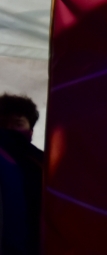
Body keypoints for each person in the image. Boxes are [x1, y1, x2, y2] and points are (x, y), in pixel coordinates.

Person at [0, 94, 44, 255]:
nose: (9, 129)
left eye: (18, 124)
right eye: (3, 124)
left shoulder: (42, 164)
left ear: (30, 132)